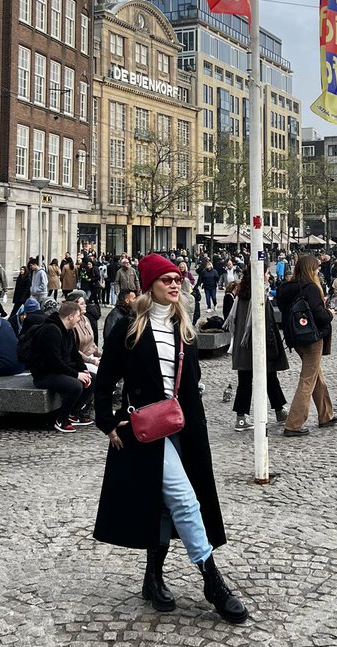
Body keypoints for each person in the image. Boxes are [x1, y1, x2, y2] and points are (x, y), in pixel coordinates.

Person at [93, 254, 248, 623]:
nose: (175, 284)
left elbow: (189, 384)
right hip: (146, 429)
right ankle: (213, 582)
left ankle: (153, 578)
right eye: (166, 280)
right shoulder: (129, 328)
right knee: (184, 498)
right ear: (150, 286)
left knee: (161, 504)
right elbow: (105, 380)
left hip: (183, 426)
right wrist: (108, 422)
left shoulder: (185, 329)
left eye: (177, 279)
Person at [278, 255, 337, 436]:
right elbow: (319, 315)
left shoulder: (285, 288)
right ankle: (294, 424)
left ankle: (326, 414)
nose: (318, 271)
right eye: (316, 268)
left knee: (315, 375)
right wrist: (330, 314)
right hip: (312, 338)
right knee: (308, 379)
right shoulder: (311, 288)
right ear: (310, 270)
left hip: (296, 337)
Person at [225, 270, 288, 431]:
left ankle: (241, 418)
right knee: (269, 378)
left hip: (242, 345)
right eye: (266, 273)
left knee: (247, 381)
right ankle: (279, 411)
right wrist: (273, 346)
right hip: (257, 345)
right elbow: (267, 323)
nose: (269, 276)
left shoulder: (240, 295)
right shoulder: (260, 297)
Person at [28, 299, 95, 434]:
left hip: (59, 370)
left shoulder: (68, 330)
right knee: (75, 385)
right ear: (70, 317)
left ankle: (73, 413)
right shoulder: (51, 331)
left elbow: (75, 355)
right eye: (78, 316)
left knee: (92, 378)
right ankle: (61, 420)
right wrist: (76, 375)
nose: (79, 319)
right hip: (45, 374)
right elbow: (53, 362)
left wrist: (83, 371)